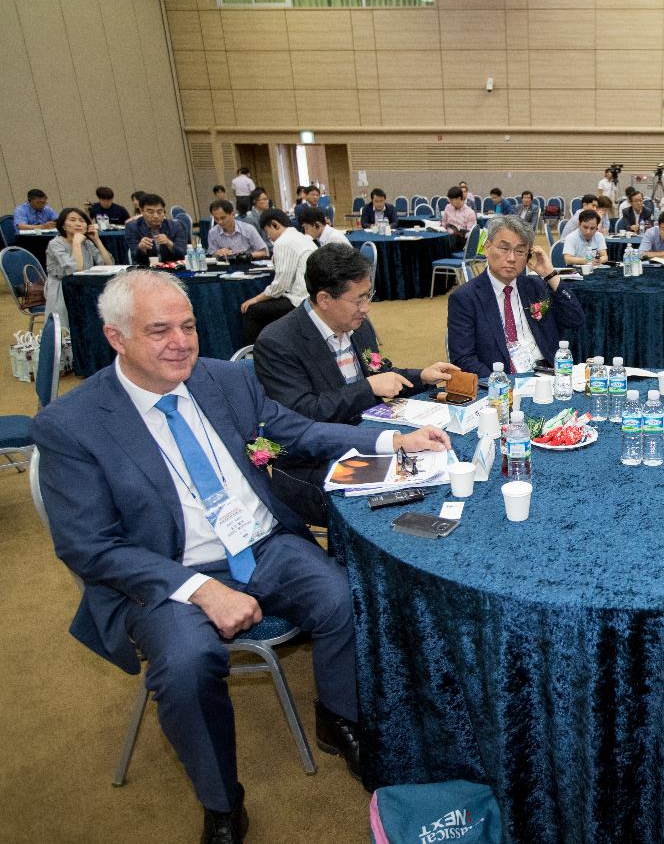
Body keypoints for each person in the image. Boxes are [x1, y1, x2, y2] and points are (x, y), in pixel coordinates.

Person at [31, 269, 454, 844]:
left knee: (342, 595)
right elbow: (89, 545)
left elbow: (296, 432)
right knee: (185, 665)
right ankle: (222, 802)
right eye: (159, 331)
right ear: (116, 338)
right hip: (167, 574)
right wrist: (201, 590)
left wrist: (392, 441)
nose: (180, 341)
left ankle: (337, 717)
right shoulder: (72, 424)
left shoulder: (226, 380)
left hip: (259, 541)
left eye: (188, 325)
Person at [254, 244, 458, 525]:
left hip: (373, 435)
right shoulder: (278, 342)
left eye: (368, 296)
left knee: (442, 469)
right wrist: (369, 388)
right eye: (358, 299)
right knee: (399, 506)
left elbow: (381, 374)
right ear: (324, 299)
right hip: (317, 459)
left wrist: (421, 375)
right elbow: (302, 417)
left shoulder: (357, 325)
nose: (367, 308)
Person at [446, 215, 585, 377]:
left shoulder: (535, 286)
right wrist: (502, 384)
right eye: (504, 249)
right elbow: (463, 359)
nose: (511, 258)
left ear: (528, 256)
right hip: (502, 382)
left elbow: (576, 319)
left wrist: (550, 275)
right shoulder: (465, 298)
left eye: (520, 251)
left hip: (547, 375)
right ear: (487, 247)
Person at [240, 208, 313, 343]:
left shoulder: (283, 242)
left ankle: (251, 355)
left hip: (299, 300)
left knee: (251, 310)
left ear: (275, 224)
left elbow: (280, 286)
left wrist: (255, 299)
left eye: (268, 233)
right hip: (309, 295)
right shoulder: (301, 237)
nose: (269, 238)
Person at [45, 207, 115, 324]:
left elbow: (109, 264)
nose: (78, 223)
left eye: (82, 221)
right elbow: (74, 270)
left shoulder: (87, 242)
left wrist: (96, 240)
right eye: (72, 220)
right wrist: (76, 243)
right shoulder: (56, 244)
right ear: (63, 225)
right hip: (62, 290)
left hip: (84, 286)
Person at [124, 193, 189, 264]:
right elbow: (136, 258)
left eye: (159, 212)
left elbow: (182, 255)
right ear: (141, 211)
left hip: (172, 268)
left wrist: (169, 243)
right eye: (150, 212)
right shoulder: (132, 227)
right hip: (146, 270)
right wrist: (141, 248)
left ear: (164, 211)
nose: (156, 216)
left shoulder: (176, 226)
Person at [440, 186, 477, 253]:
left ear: (459, 198)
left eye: (451, 200)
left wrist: (460, 233)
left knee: (453, 239)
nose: (450, 202)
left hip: (460, 241)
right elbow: (443, 223)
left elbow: (470, 234)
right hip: (447, 237)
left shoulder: (470, 213)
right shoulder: (448, 207)